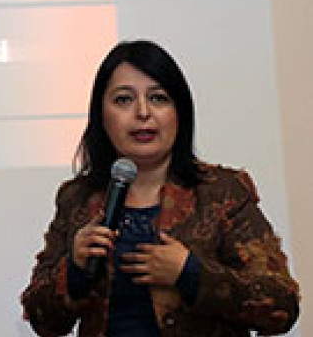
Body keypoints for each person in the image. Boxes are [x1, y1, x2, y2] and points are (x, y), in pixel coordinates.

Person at [20, 40, 299, 337]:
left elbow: (282, 306)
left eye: (158, 98)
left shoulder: (223, 193)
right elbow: (42, 320)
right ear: (101, 115)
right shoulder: (77, 198)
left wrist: (190, 273)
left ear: (180, 112)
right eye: (123, 100)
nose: (143, 112)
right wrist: (74, 270)